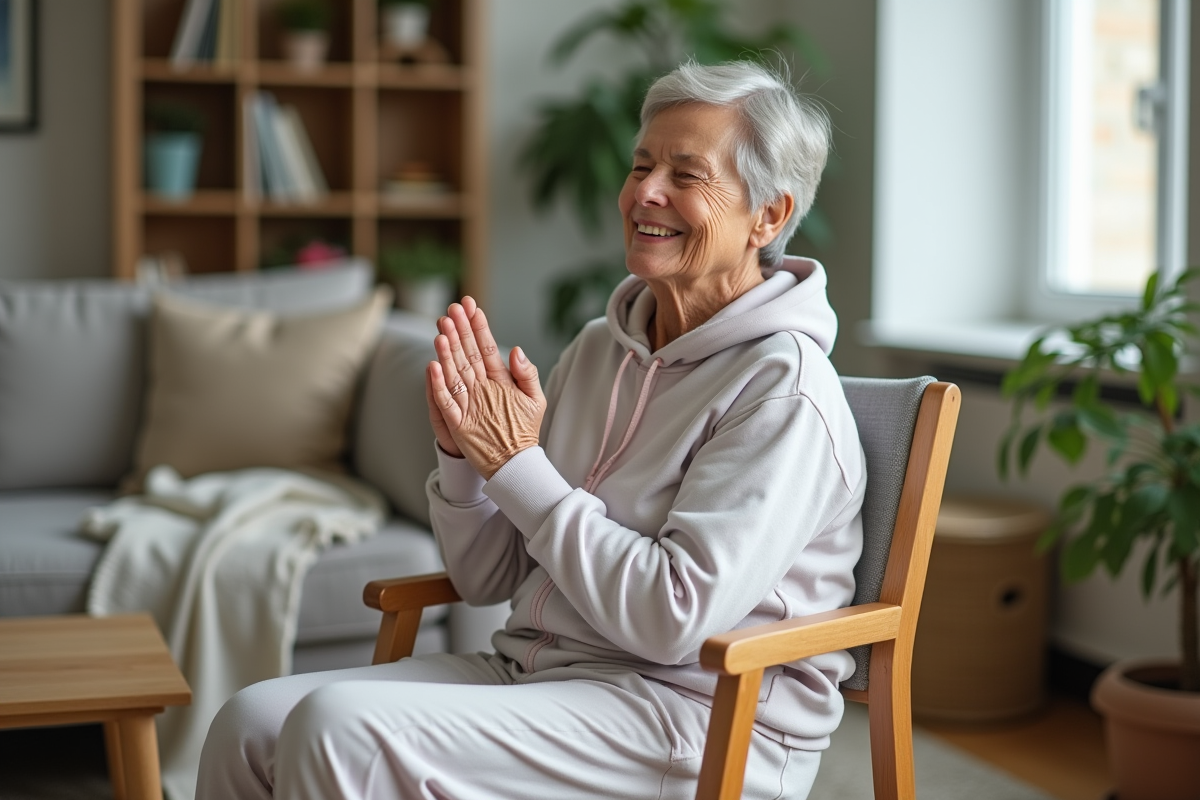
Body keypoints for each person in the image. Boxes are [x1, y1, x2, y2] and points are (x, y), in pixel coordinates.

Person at [197, 59, 864, 800]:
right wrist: (466, 457)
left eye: (685, 174)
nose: (644, 191)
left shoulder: (782, 389)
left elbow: (671, 618)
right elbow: (488, 578)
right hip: (537, 672)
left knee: (338, 730)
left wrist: (516, 464)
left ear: (767, 216)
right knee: (248, 723)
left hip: (689, 713)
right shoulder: (599, 349)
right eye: (641, 164)